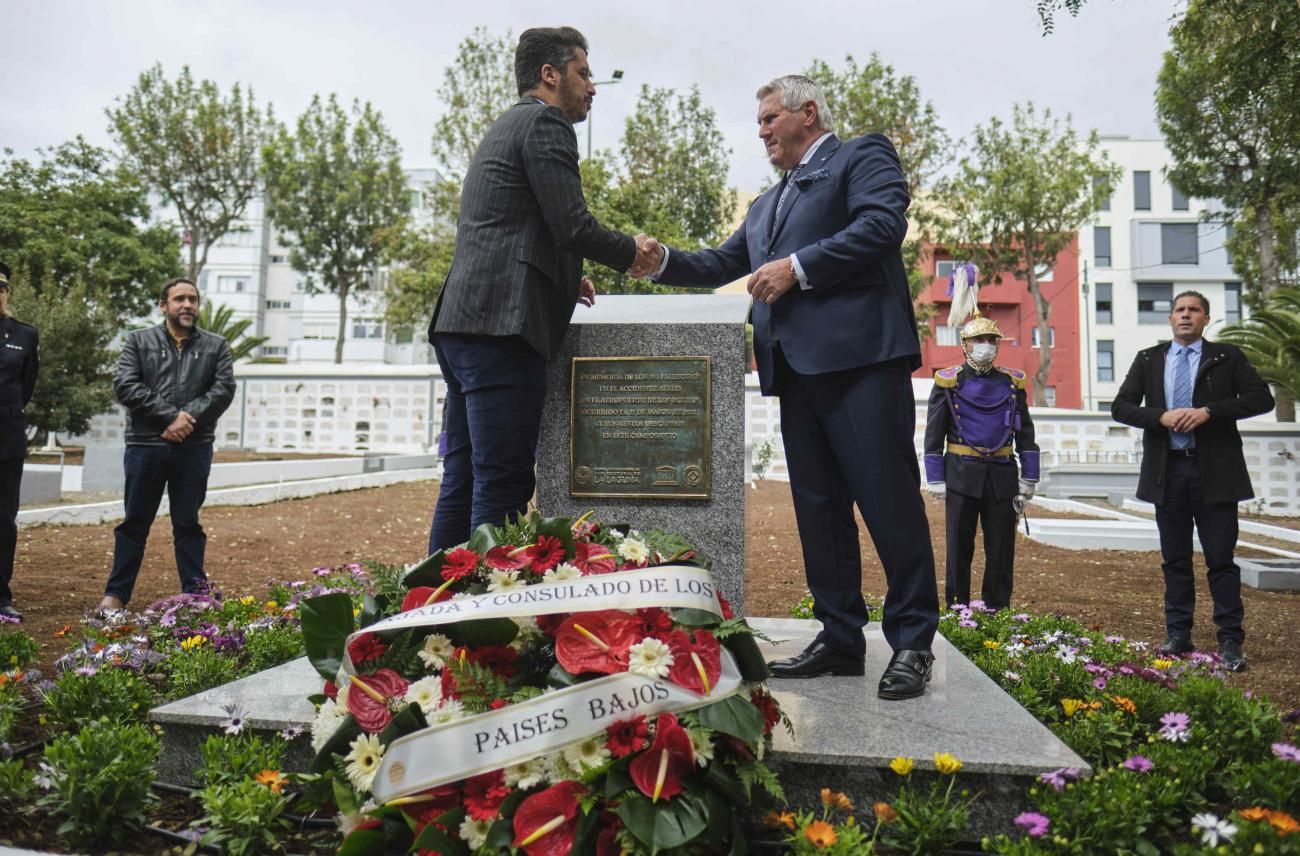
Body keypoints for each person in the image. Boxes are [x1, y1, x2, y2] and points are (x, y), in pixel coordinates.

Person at [641, 75, 940, 699]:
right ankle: (839, 637)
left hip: (860, 364)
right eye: (760, 121)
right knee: (819, 510)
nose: (762, 130)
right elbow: (725, 264)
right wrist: (658, 260)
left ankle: (912, 641)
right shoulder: (764, 203)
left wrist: (798, 269)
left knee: (889, 504)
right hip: (795, 373)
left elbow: (883, 226)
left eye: (771, 117)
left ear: (809, 113)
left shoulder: (861, 155)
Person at [426, 26, 657, 554]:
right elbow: (571, 223)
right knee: (502, 484)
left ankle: (433, 614)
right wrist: (632, 252)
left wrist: (561, 276)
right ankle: (485, 620)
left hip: (464, 325)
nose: (592, 86)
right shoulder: (547, 123)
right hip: (503, 330)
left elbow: (511, 226)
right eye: (584, 72)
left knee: (463, 480)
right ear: (549, 75)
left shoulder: (507, 125)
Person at [1111, 290, 1274, 671]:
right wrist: (1160, 417)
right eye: (1179, 310)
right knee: (1176, 559)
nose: (1186, 315)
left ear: (1206, 318)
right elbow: (1121, 406)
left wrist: (1209, 412)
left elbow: (1260, 399)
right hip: (1168, 472)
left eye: (1194, 310)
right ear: (1170, 319)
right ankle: (1178, 634)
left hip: (1214, 472)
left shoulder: (1227, 357)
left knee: (1221, 559)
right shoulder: (1149, 359)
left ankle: (1230, 641)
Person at [98, 278, 236, 613]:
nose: (187, 305)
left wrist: (186, 419)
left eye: (193, 299)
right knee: (135, 522)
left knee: (187, 522)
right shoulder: (138, 341)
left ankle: (196, 594)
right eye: (179, 299)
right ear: (163, 305)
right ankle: (115, 595)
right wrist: (169, 418)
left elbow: (223, 390)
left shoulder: (216, 346)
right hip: (147, 446)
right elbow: (126, 385)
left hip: (194, 446)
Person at [923, 313, 1039, 611]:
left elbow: (1026, 433)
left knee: (1001, 550)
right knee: (959, 550)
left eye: (991, 340)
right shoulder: (948, 381)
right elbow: (934, 433)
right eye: (979, 339)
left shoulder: (1012, 383)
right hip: (961, 474)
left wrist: (1029, 477)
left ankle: (997, 610)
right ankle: (958, 610)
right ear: (965, 344)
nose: (986, 345)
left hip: (1002, 475)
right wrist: (935, 477)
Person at [0, 262, 38, 621]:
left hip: (6, 441)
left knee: (3, 520)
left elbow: (26, 387)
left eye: (1, 289)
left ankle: (0, 595)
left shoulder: (24, 335)